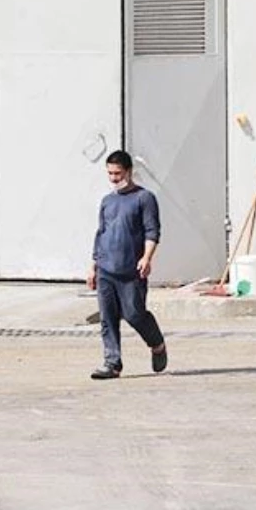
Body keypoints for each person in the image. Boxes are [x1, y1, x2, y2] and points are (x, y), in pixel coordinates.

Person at [88, 150, 168, 380]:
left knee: (134, 314)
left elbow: (152, 231)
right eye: (110, 173)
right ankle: (112, 363)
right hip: (106, 269)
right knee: (108, 317)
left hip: (131, 270)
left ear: (129, 171)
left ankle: (157, 344)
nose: (114, 178)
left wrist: (146, 257)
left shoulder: (144, 198)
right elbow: (100, 233)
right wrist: (93, 265)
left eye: (118, 173)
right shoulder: (107, 201)